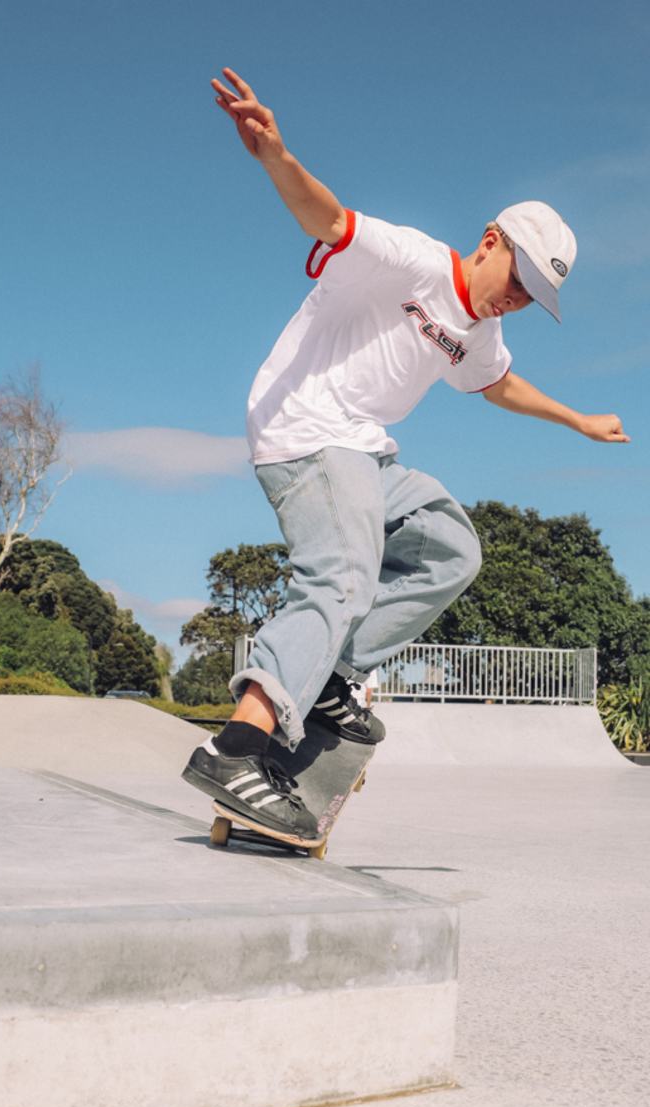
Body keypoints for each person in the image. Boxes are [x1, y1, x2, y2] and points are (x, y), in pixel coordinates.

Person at [183, 67, 629, 841]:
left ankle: (328, 678)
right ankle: (237, 745)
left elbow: (498, 386)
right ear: (490, 240)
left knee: (453, 547)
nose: (512, 301)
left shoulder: (482, 330)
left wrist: (578, 420)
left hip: (363, 451)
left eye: (529, 299)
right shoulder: (415, 259)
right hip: (305, 424)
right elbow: (327, 220)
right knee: (346, 572)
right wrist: (275, 157)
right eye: (514, 281)